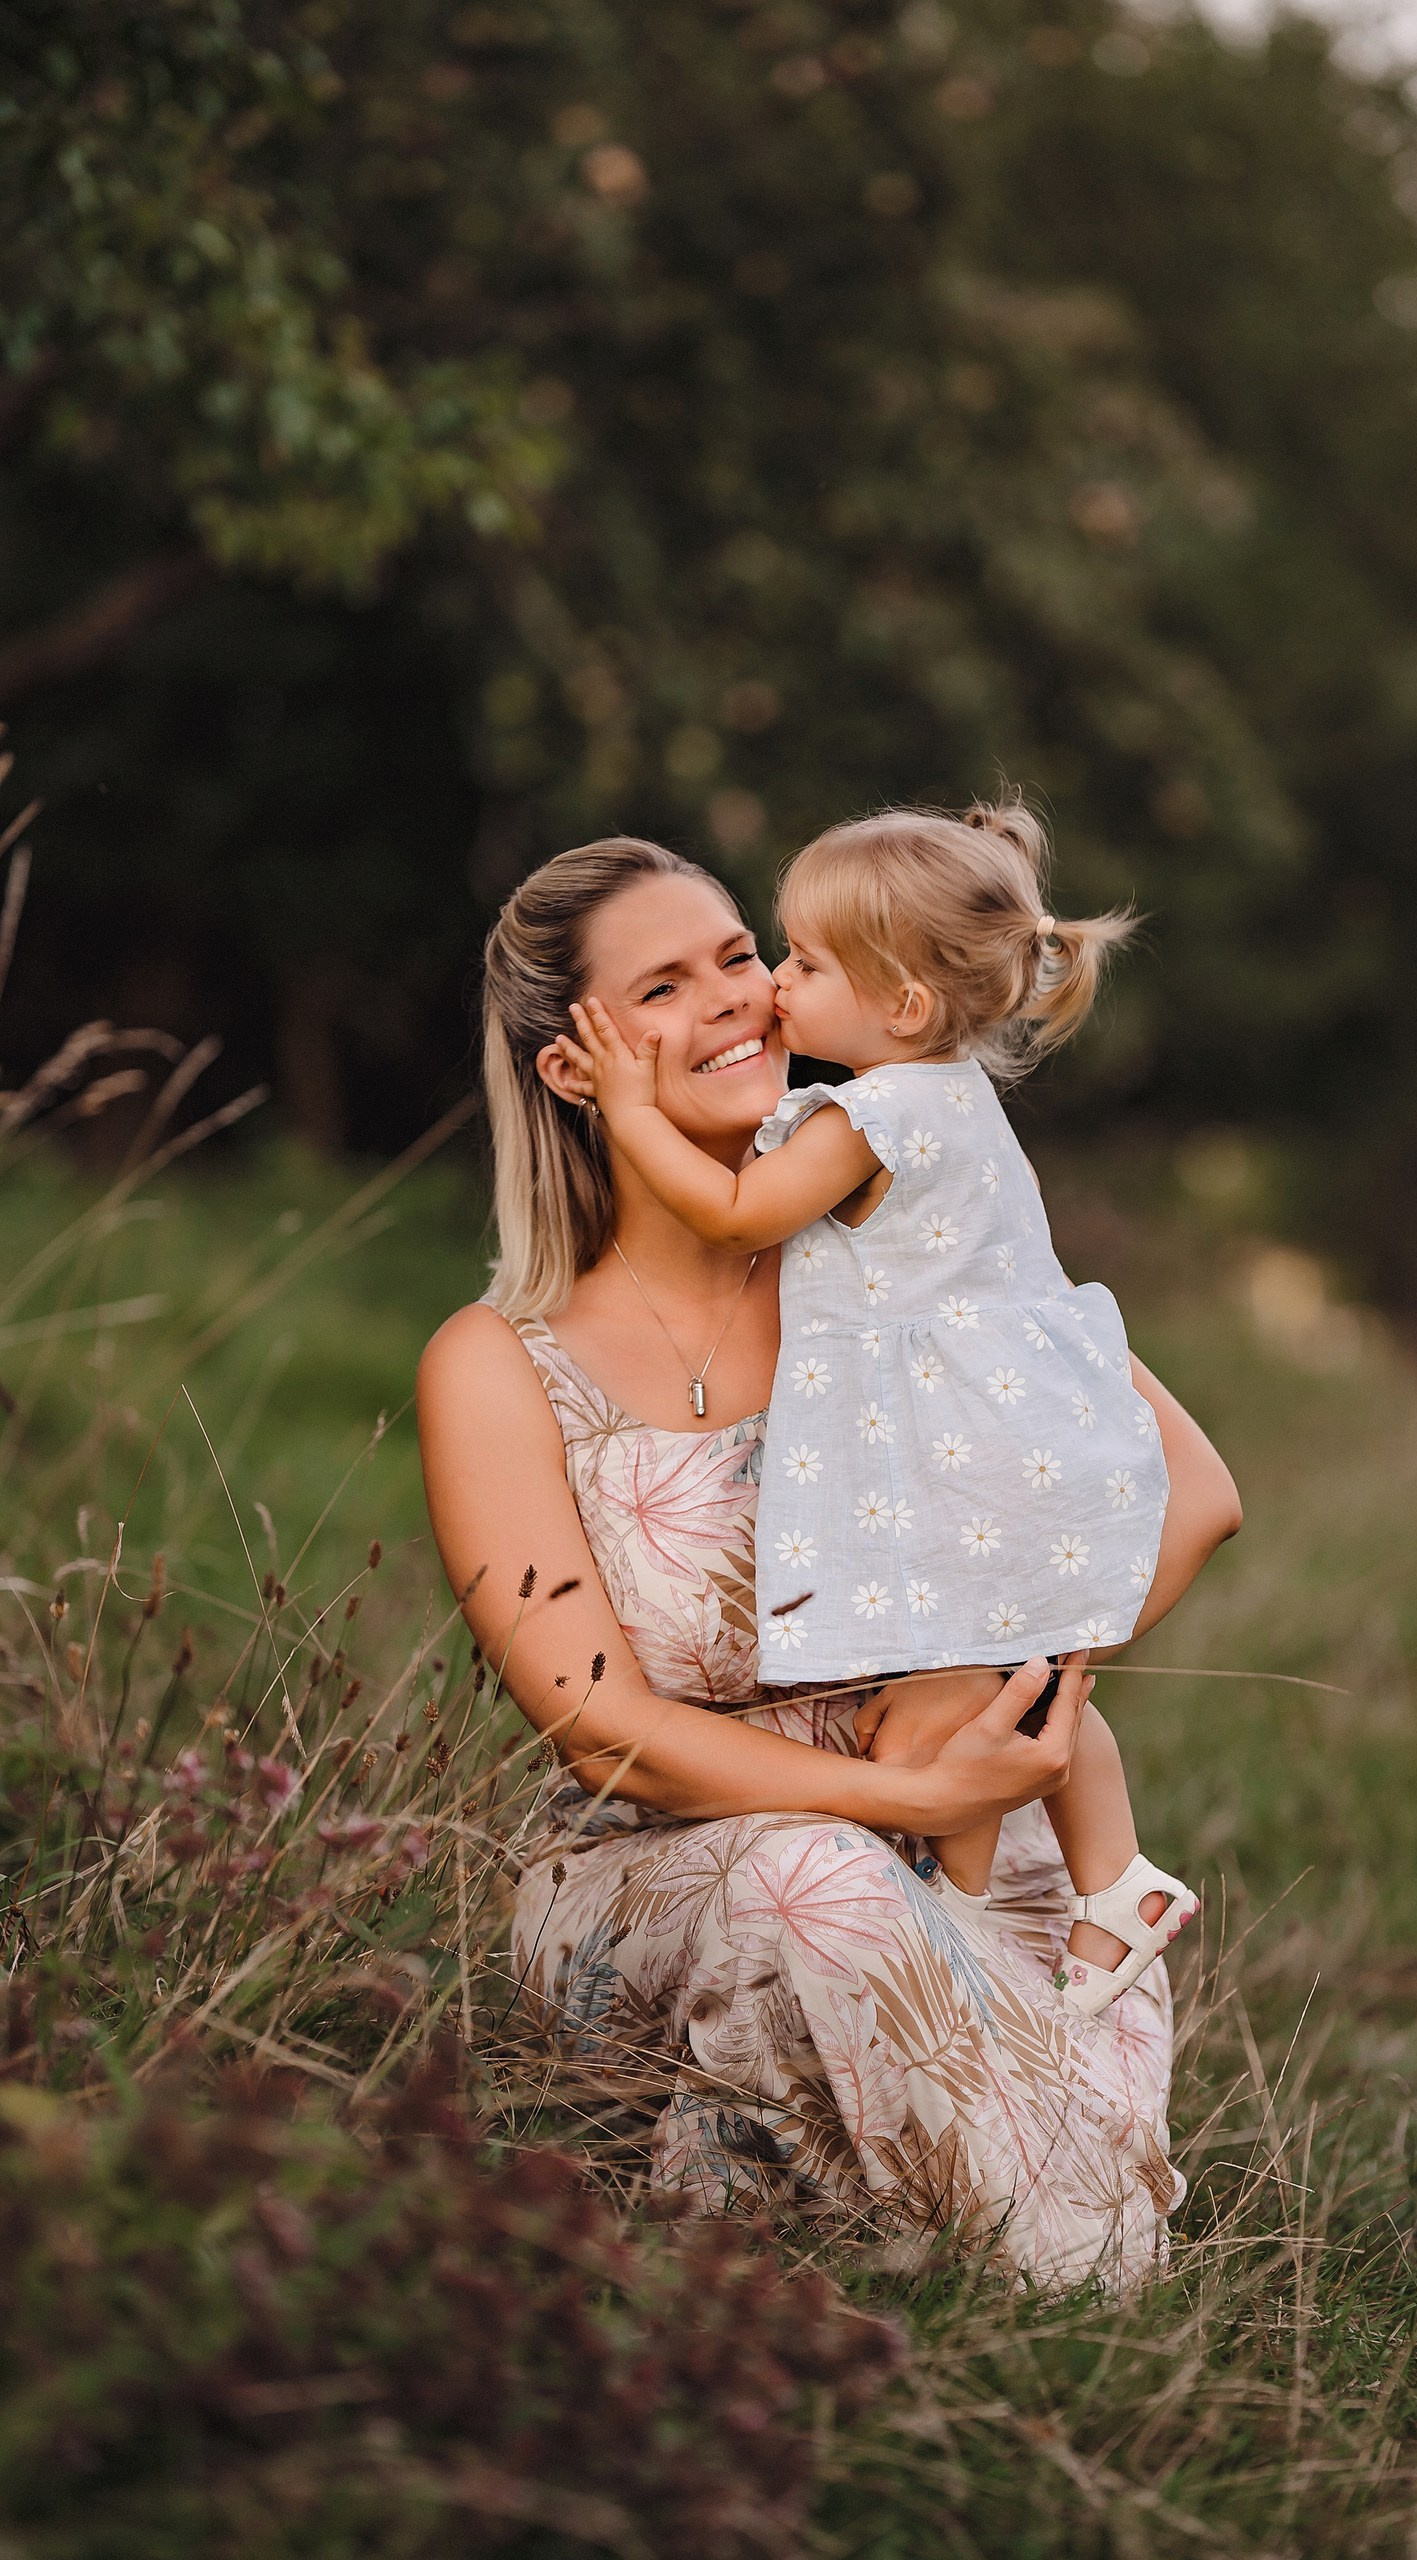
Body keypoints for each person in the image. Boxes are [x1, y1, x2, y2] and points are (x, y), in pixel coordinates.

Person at [416, 835, 1241, 2288]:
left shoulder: (898, 1262)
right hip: (675, 1873)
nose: (737, 998)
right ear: (572, 1071)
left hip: (966, 1825)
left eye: (740, 955)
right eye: (664, 985)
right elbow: (604, 1729)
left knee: (1026, 2164)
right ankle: (912, 2255)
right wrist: (901, 1795)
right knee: (820, 1879)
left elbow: (1184, 1496)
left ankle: (988, 2262)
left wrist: (1016, 1689)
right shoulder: (498, 1366)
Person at [560, 797, 1195, 2018]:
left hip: (965, 1445)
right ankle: (1112, 1881)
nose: (775, 990)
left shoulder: (877, 1112)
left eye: (792, 961)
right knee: (1019, 1680)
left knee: (954, 1705)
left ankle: (958, 1910)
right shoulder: (958, 1096)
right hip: (1030, 1432)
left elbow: (741, 1214)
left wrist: (632, 1111)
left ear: (901, 1005)